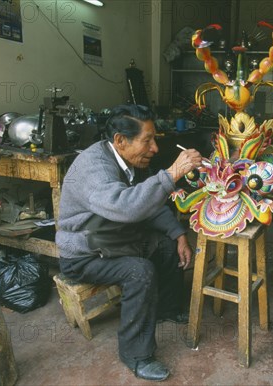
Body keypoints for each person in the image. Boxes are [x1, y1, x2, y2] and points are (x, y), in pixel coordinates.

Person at [55, 104, 203, 381]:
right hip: (84, 253)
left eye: (154, 139)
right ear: (120, 141)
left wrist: (178, 233)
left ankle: (167, 309)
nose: (155, 148)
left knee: (167, 246)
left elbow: (149, 203)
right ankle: (136, 355)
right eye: (147, 140)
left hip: (115, 237)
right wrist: (171, 174)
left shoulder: (130, 161)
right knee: (139, 272)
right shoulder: (93, 167)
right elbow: (127, 207)